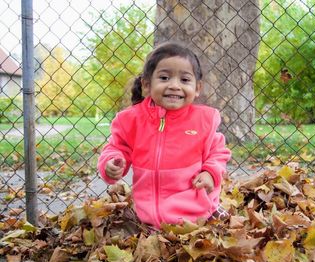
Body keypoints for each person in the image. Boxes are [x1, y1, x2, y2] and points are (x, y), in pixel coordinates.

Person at [97, 41, 231, 229]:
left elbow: (218, 152)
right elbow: (116, 147)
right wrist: (112, 162)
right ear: (146, 85)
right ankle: (156, 225)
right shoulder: (131, 120)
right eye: (165, 78)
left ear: (197, 88)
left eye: (184, 80)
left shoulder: (203, 121)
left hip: (195, 214)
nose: (175, 85)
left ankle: (212, 210)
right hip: (147, 215)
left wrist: (210, 172)